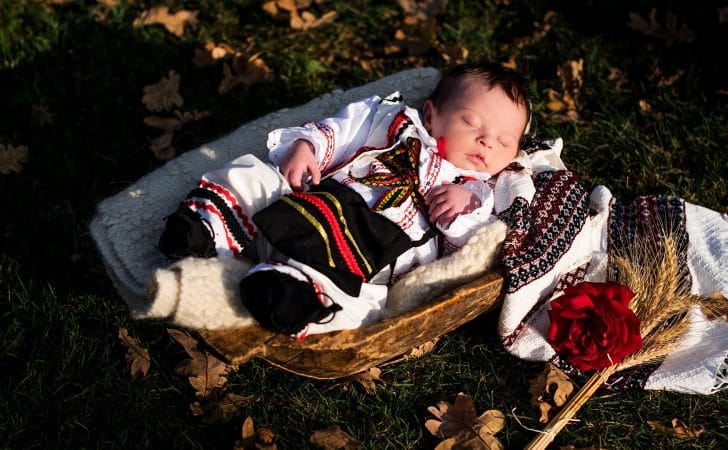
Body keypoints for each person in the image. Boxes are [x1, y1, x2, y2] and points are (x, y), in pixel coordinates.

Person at [157, 62, 531, 338]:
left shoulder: (479, 194)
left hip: (363, 256)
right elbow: (340, 130)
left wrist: (461, 213)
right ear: (431, 116)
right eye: (472, 123)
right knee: (256, 176)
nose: (486, 141)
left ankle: (288, 293)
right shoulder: (392, 120)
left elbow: (468, 253)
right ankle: (206, 224)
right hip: (305, 206)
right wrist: (306, 147)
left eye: (504, 141)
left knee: (365, 306)